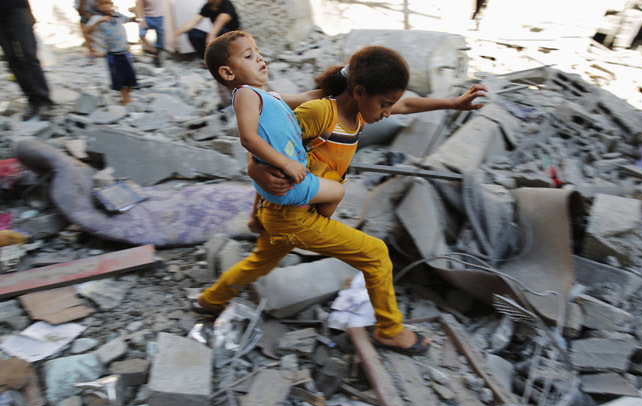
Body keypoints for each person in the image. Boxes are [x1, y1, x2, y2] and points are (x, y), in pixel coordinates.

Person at [199, 35, 487, 354]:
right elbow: (272, 148)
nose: (390, 112)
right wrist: (254, 170)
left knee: (259, 261)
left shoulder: (361, 110)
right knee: (376, 254)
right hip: (294, 214)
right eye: (385, 104)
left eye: (391, 104)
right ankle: (389, 330)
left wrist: (453, 103)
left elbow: (405, 105)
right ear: (361, 92)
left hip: (284, 213)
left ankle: (211, 300)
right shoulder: (319, 113)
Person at [204, 31, 345, 229]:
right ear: (228, 73)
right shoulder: (246, 94)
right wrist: (287, 164)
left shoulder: (268, 97)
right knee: (337, 192)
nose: (259, 58)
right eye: (248, 56)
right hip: (288, 179)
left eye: (258, 52)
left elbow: (305, 98)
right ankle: (313, 228)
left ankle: (256, 218)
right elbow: (248, 139)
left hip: (277, 175)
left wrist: (340, 86)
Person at [0, 0, 54, 121]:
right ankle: (32, 100)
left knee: (28, 54)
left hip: (17, 7)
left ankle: (44, 100)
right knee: (11, 58)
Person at [86, 0, 138, 106]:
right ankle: (125, 99)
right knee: (119, 78)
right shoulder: (96, 18)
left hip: (125, 52)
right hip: (112, 55)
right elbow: (86, 30)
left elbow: (134, 20)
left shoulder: (118, 16)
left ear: (112, 4)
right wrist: (99, 22)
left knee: (131, 77)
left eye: (108, 3)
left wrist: (136, 12)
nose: (106, 6)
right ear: (98, 6)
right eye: (102, 4)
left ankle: (126, 95)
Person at [173, 0, 239, 61]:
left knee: (221, 31)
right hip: (217, 36)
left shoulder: (226, 4)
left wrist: (211, 35)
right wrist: (176, 33)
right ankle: (207, 61)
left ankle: (227, 60)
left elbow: (220, 22)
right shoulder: (208, 6)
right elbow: (193, 21)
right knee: (192, 33)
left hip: (231, 39)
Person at [133, 0, 165, 67]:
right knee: (141, 34)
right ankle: (152, 50)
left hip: (159, 17)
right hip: (147, 17)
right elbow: (138, 6)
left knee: (161, 38)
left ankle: (157, 56)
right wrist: (141, 20)